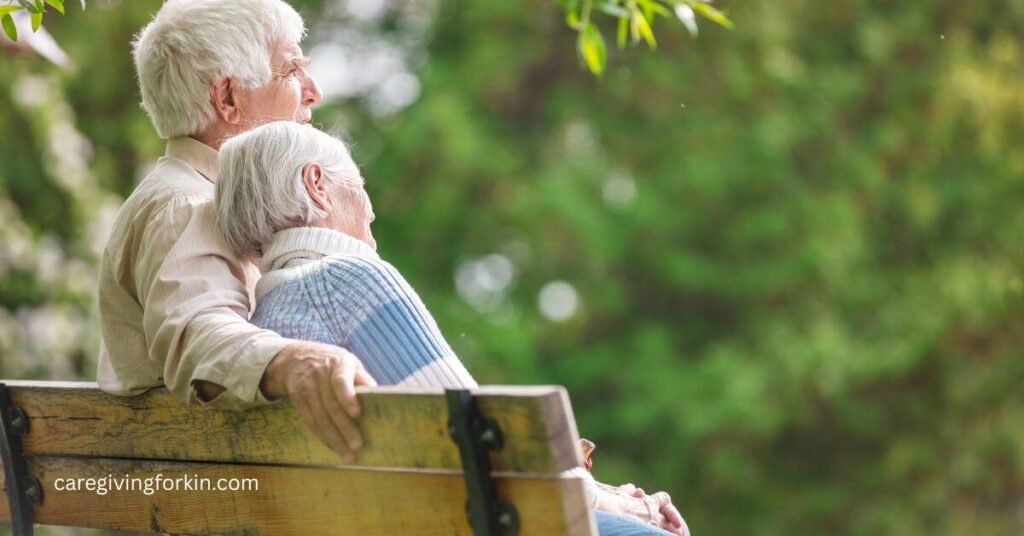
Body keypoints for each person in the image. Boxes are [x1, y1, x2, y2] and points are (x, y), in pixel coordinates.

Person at [214, 121, 689, 536]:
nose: (371, 209)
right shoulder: (349, 280)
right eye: (358, 184)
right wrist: (631, 505)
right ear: (317, 185)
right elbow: (493, 458)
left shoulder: (263, 319)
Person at [96, 0, 373, 463]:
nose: (314, 91)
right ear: (227, 98)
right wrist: (297, 361)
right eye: (291, 71)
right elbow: (198, 334)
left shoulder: (206, 198)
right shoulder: (187, 204)